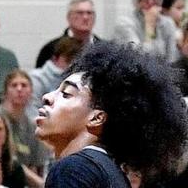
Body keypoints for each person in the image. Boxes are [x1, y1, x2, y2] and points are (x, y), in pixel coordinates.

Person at [35, 40, 188, 187]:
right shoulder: (112, 172)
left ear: (97, 118)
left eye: (66, 93)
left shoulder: (73, 169)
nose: (47, 97)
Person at [111, 0, 179, 62]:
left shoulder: (167, 23)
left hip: (162, 72)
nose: (150, 2)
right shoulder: (124, 23)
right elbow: (138, 57)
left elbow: (172, 58)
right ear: (136, 1)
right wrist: (149, 25)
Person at [0, 72, 46, 186]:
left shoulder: (33, 126)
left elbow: (35, 166)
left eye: (24, 85)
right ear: (5, 92)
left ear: (31, 92)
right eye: (14, 85)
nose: (19, 89)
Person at [34, 0, 99, 69]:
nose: (85, 17)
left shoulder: (106, 49)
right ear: (69, 17)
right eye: (80, 13)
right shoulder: (51, 49)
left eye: (89, 13)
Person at [29, 37, 81, 105]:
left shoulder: (75, 80)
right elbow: (32, 109)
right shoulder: (36, 78)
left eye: (73, 62)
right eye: (68, 61)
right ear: (55, 58)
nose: (70, 66)